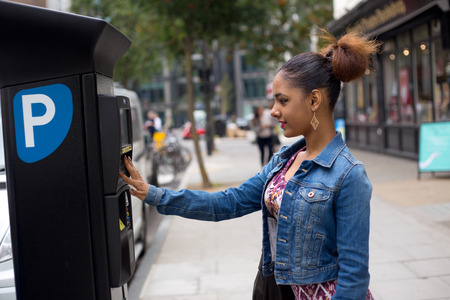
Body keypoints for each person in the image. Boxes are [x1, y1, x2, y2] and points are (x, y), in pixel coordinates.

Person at [120, 29, 378, 300]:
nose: (273, 111)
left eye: (283, 100)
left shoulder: (348, 175)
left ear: (314, 100)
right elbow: (227, 202)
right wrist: (155, 194)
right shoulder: (282, 162)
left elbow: (354, 275)